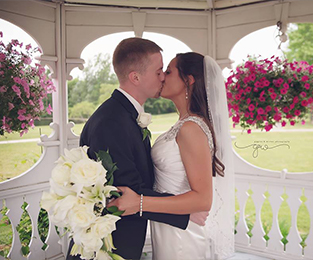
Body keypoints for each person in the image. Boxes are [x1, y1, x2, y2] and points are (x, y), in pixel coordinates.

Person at [66, 38, 207, 260]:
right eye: (159, 71)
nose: (162, 77)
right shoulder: (112, 121)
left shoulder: (127, 115)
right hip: (106, 246)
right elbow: (123, 192)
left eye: (166, 71)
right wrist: (184, 214)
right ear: (135, 77)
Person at [108, 52, 229, 259]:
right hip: (168, 226)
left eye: (169, 71)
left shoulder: (191, 128)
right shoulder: (184, 124)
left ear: (188, 81)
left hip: (182, 236)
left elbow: (202, 200)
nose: (162, 76)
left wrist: (139, 202)